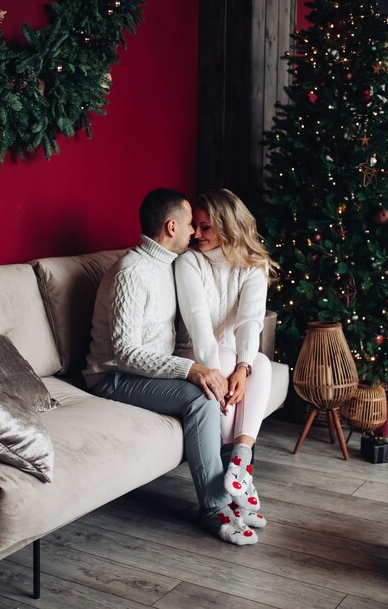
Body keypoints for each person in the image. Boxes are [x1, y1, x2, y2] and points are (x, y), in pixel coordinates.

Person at [83, 188, 260, 546]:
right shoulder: (132, 271)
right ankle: (213, 506)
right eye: (190, 225)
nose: (196, 232)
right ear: (170, 226)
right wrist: (191, 369)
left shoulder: (168, 264)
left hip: (144, 373)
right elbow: (125, 352)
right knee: (201, 396)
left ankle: (234, 479)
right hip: (112, 377)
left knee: (221, 381)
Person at [175, 188, 277, 522]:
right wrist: (217, 375)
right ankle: (237, 488)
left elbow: (250, 321)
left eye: (205, 227)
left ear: (227, 227)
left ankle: (241, 457)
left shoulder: (253, 265)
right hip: (197, 353)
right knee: (221, 352)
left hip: (232, 354)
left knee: (259, 361)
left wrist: (243, 369)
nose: (196, 234)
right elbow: (199, 322)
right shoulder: (189, 261)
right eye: (196, 226)